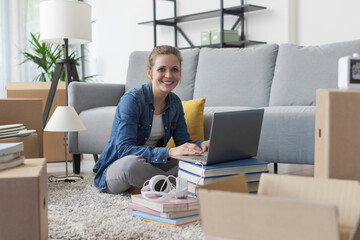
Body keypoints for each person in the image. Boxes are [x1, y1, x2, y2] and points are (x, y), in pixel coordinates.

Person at [93, 45, 210, 194]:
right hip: (121, 167)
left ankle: (154, 185)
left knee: (199, 160)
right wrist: (169, 152)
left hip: (153, 165)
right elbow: (124, 150)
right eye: (162, 69)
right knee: (132, 164)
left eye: (175, 69)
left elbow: (183, 144)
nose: (169, 75)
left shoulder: (175, 103)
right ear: (150, 73)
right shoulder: (132, 100)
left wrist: (203, 145)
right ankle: (177, 185)